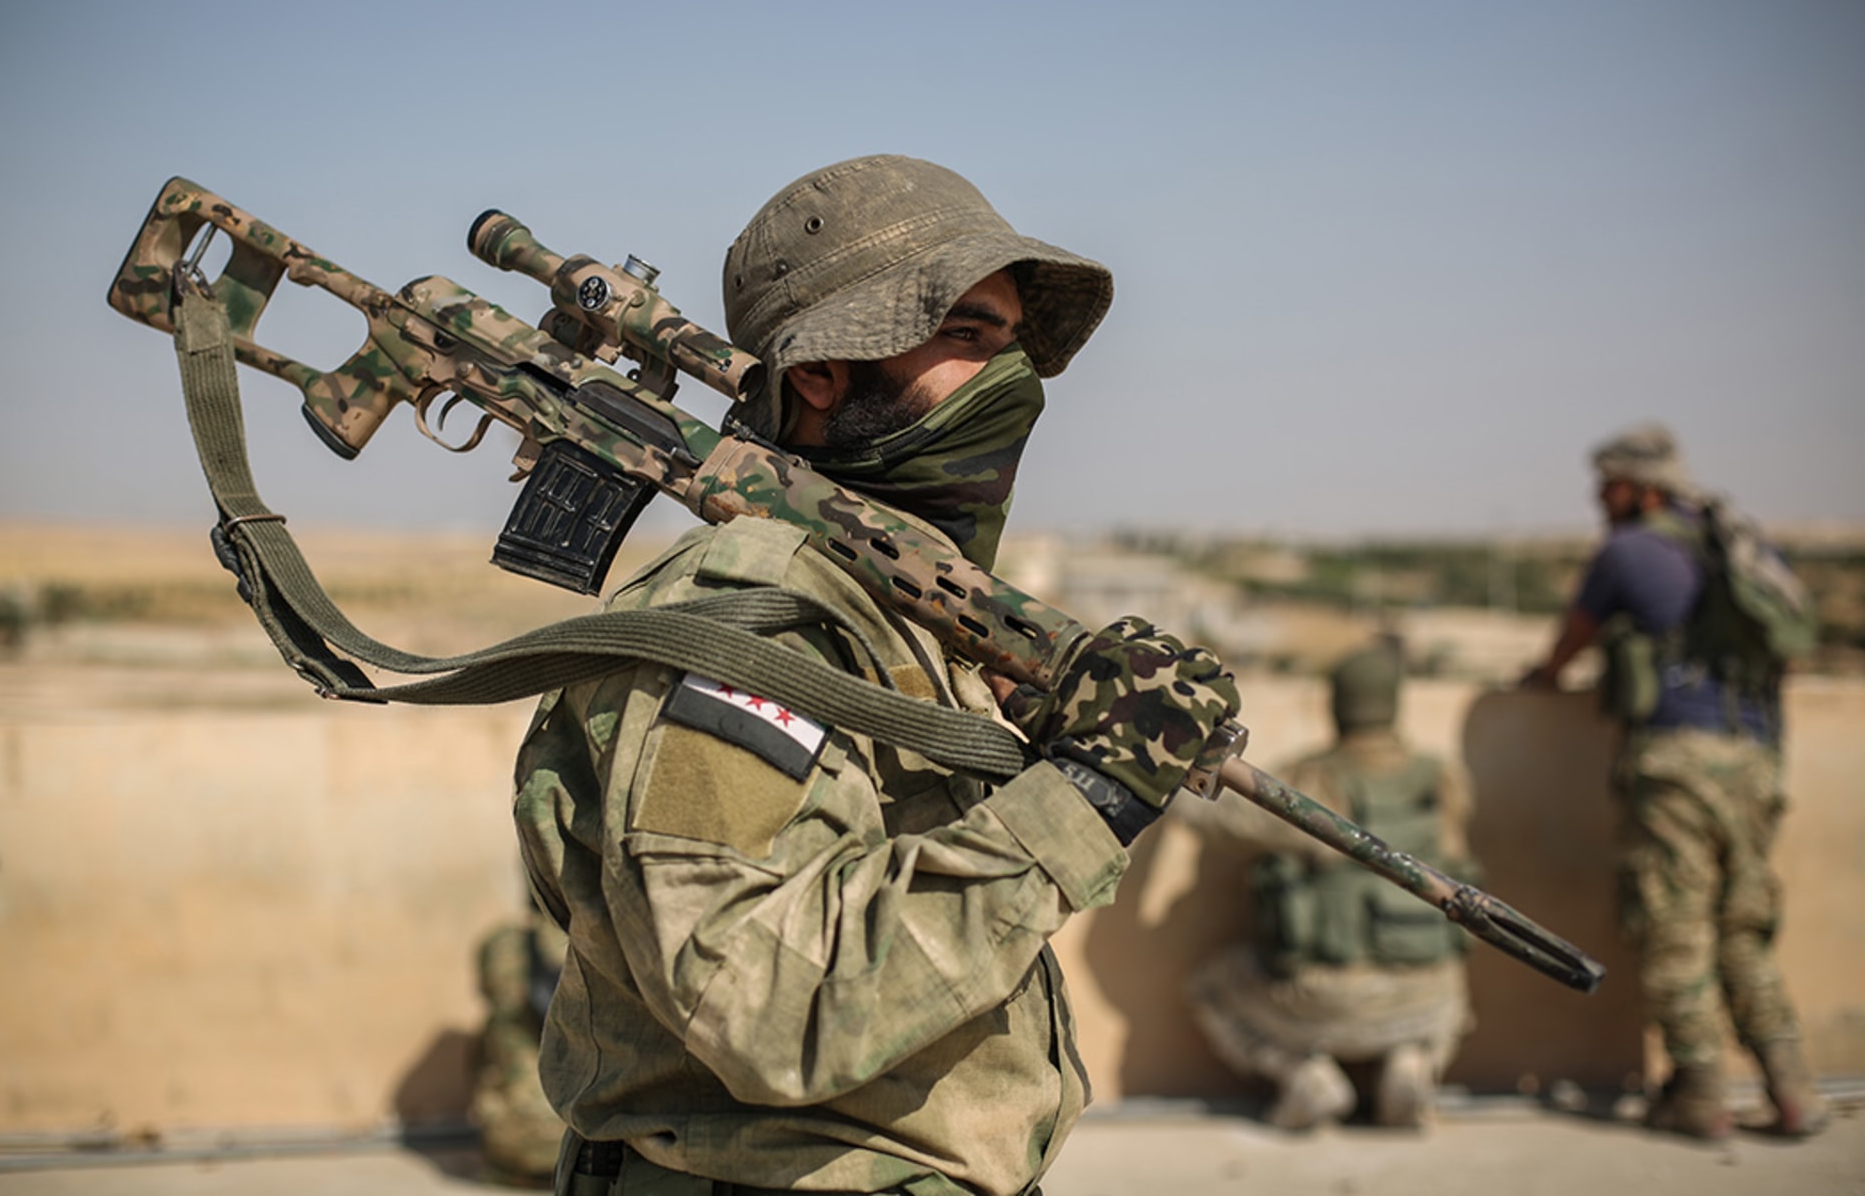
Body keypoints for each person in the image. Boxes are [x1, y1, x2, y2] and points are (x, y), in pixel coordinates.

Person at [512, 155, 1243, 1196]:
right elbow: (765, 1003)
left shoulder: (882, 602)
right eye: (963, 336)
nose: (1010, 378)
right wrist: (1085, 799)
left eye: (1007, 340)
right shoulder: (753, 619)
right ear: (820, 372)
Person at [1521, 422, 1828, 1140]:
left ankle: (1699, 1093)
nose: (1601, 497)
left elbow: (1567, 645)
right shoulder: (1741, 545)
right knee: (1743, 927)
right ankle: (1793, 1090)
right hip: (1755, 762)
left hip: (1676, 765)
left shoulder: (1627, 551)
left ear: (1643, 485)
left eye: (1610, 483)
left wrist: (1542, 680)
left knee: (1675, 926)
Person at [1184, 642, 1475, 1131]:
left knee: (1210, 987)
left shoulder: (1312, 779)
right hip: (1431, 990)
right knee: (1453, 983)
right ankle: (1414, 1061)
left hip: (1326, 994)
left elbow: (1221, 820)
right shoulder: (1443, 778)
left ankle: (1303, 1074)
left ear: (1337, 703)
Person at [471, 907, 571, 1187]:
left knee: (497, 1028)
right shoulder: (598, 936)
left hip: (512, 1145)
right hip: (583, 1141)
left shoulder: (501, 944)